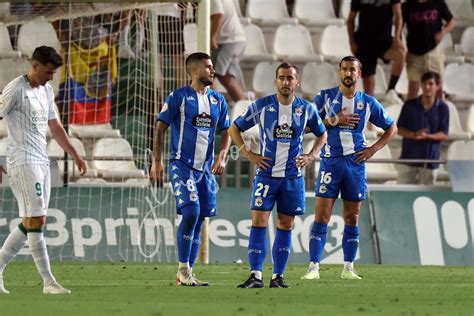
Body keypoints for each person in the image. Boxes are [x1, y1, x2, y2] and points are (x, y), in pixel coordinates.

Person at [229, 63, 327, 288]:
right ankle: (255, 275)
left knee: (285, 224)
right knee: (258, 221)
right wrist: (249, 154)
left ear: (297, 82)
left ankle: (278, 276)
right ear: (275, 81)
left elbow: (322, 134)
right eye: (281, 78)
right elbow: (235, 128)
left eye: (290, 78)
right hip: (266, 175)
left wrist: (311, 156)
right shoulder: (262, 106)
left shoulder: (307, 109)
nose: (285, 82)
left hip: (292, 177)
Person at [0, 46, 87, 294]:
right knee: (34, 220)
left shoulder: (46, 90)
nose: (52, 77)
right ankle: (48, 282)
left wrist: (76, 155)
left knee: (33, 221)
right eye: (48, 72)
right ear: (35, 66)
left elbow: (56, 126)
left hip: (42, 160)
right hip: (22, 160)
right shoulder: (15, 89)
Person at [301, 56, 397, 280]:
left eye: (352, 70)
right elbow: (304, 127)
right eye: (344, 69)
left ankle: (348, 267)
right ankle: (314, 266)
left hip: (355, 164)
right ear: (339, 72)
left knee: (352, 216)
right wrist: (334, 120)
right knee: (322, 215)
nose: (348, 73)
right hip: (330, 162)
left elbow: (392, 128)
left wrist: (372, 149)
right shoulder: (325, 98)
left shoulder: (368, 102)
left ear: (359, 74)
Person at [150, 52, 231, 286]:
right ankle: (183, 269)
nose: (212, 70)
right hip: (181, 165)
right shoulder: (179, 97)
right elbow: (160, 128)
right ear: (194, 71)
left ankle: (187, 273)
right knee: (192, 212)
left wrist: (223, 156)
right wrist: (157, 160)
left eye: (212, 66)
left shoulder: (218, 100)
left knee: (200, 218)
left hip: (205, 171)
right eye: (208, 67)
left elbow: (227, 132)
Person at [347, 0, 406, 102]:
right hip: (364, 42)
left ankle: (391, 89)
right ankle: (370, 114)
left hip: (384, 41)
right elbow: (351, 19)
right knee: (369, 89)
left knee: (400, 54)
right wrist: (351, 41)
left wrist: (397, 37)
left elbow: (398, 16)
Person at [397, 71, 449, 185]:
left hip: (430, 161)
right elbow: (399, 129)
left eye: (430, 84)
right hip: (408, 159)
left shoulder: (443, 108)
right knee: (402, 195)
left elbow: (444, 133)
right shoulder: (409, 105)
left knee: (426, 199)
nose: (427, 87)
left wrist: (427, 136)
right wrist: (413, 135)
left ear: (437, 86)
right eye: (424, 84)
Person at [402, 0, 456, 100]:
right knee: (413, 89)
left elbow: (452, 22)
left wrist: (443, 32)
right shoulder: (407, 6)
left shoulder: (438, 3)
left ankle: (438, 114)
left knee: (438, 88)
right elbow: (399, 25)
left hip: (433, 51)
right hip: (414, 54)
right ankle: (410, 115)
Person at [210, 0, 246, 102]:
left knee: (208, 75)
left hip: (228, 41)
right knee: (227, 79)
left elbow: (218, 14)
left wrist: (212, 38)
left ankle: (214, 110)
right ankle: (247, 111)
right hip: (236, 40)